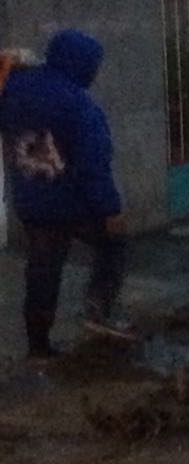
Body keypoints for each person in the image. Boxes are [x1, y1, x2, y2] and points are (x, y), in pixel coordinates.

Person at [0, 29, 133, 365]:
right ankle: (97, 312)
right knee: (113, 244)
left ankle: (38, 347)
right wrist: (110, 209)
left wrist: (12, 65)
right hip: (72, 204)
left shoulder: (13, 90)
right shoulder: (79, 104)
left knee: (42, 271)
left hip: (31, 202)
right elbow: (93, 165)